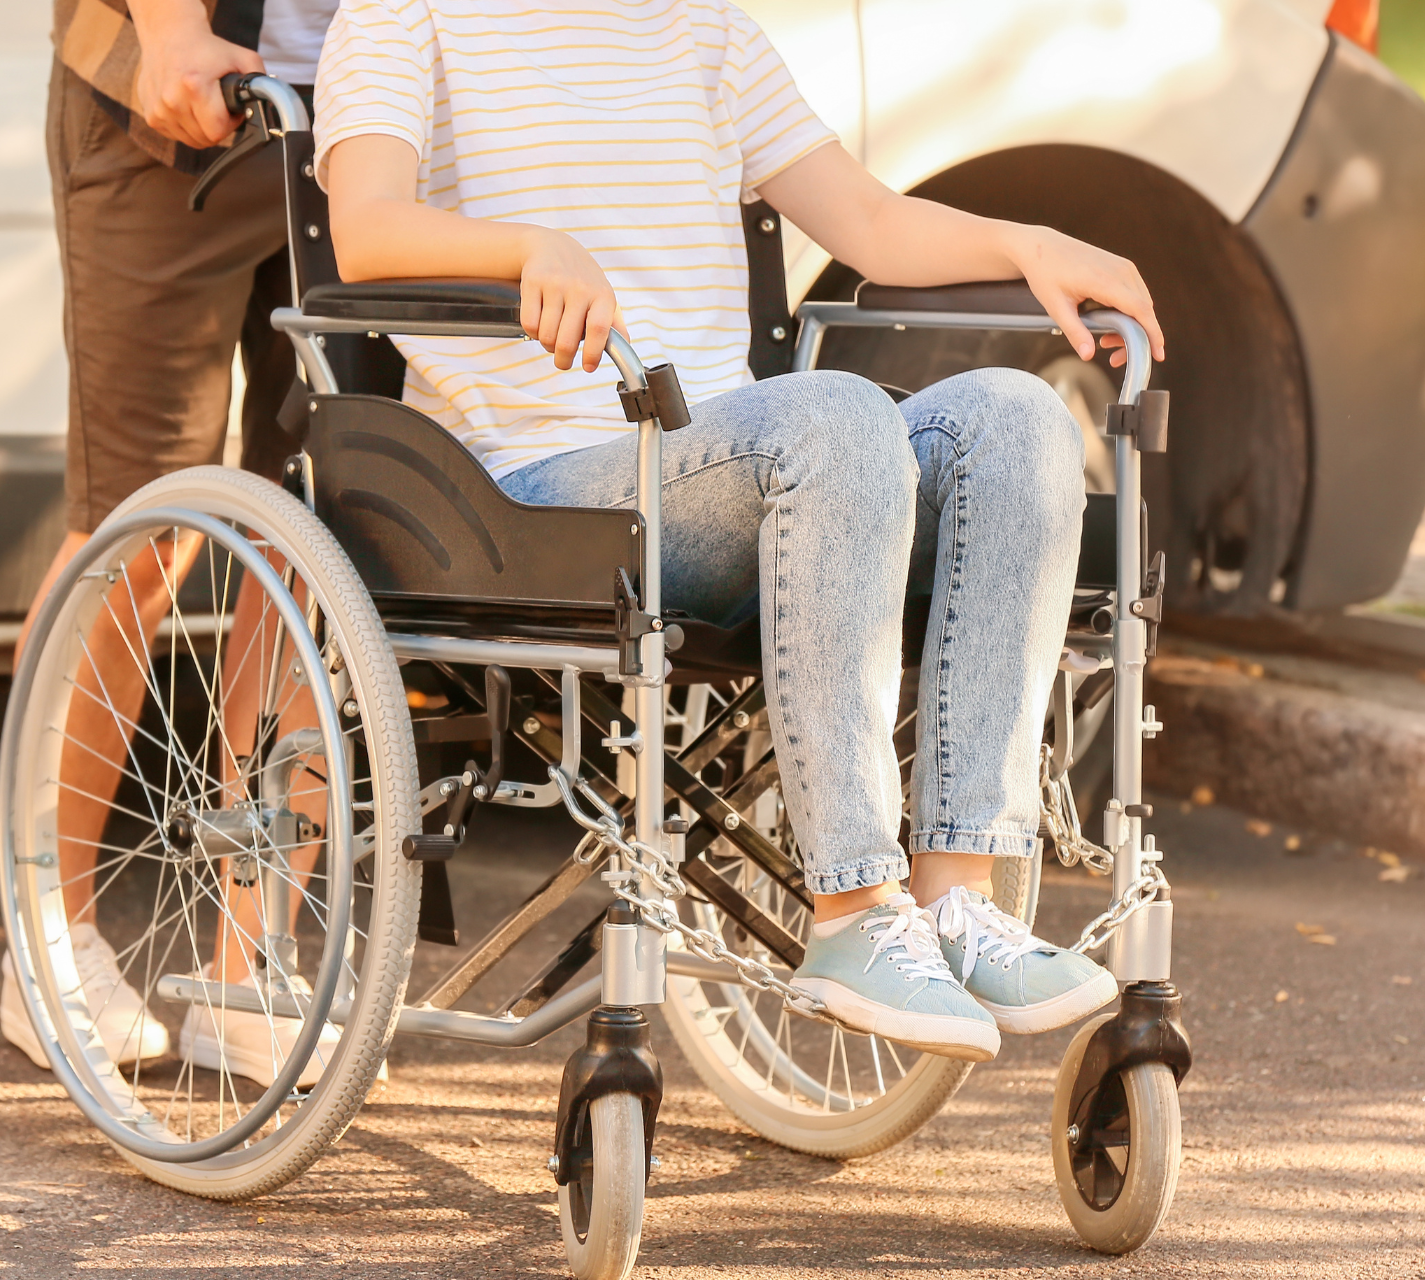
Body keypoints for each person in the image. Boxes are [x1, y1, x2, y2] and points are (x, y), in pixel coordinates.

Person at [314, 0, 1166, 1060]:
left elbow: (869, 220)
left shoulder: (703, 29)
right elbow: (366, 229)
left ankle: (956, 896)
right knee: (835, 413)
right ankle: (856, 906)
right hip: (532, 489)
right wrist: (532, 245)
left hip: (741, 465)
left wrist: (1030, 241)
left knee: (1021, 420)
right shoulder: (407, 15)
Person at [0, 0, 348, 1085]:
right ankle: (46, 938)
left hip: (365, 128)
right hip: (169, 110)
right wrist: (162, 26)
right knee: (136, 534)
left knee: (313, 545)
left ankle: (250, 964)